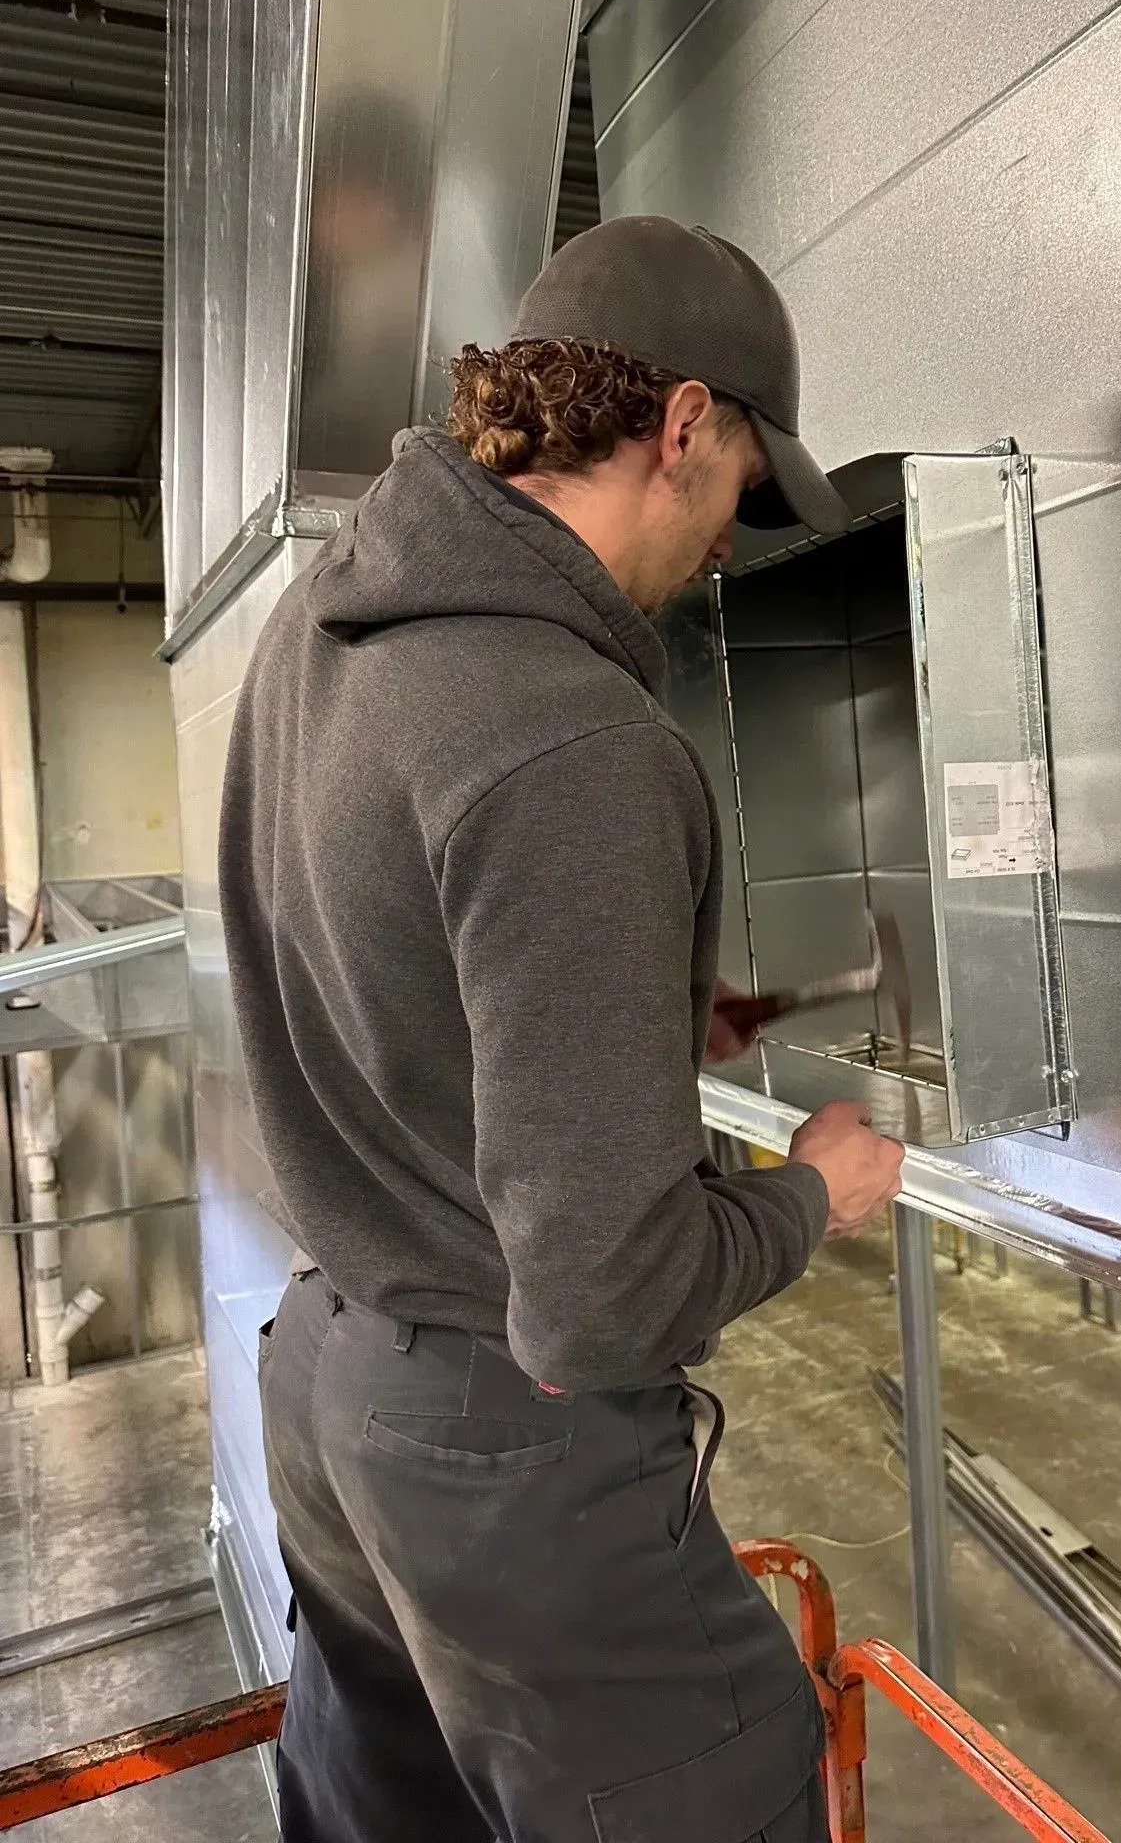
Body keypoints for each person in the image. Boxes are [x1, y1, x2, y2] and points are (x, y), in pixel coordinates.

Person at [220, 215, 905, 1843]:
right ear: (680, 424)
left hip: (331, 1388)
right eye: (744, 479)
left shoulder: (321, 634)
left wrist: (638, 1018)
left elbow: (379, 967)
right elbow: (600, 1304)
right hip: (502, 1449)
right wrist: (817, 1194)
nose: (734, 538)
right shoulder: (570, 740)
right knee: (717, 1793)